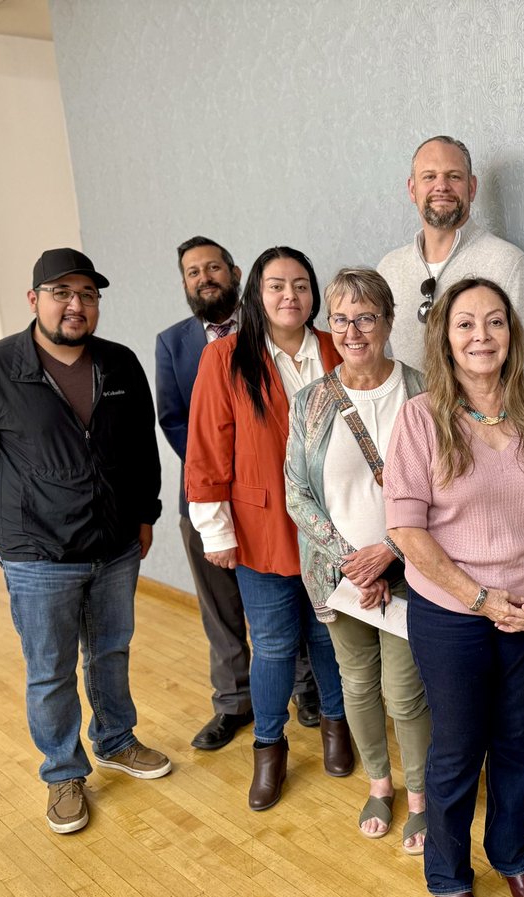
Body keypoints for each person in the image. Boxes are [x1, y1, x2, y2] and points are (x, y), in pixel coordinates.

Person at [0, 247, 169, 835]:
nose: (76, 305)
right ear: (34, 300)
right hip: (38, 554)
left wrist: (145, 515)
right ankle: (63, 772)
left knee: (111, 650)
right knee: (49, 670)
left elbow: (141, 448)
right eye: (62, 293)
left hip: (115, 546)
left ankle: (116, 740)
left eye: (88, 295)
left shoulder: (119, 364)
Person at [384, 277, 524, 897]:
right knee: (459, 746)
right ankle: (448, 872)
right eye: (465, 324)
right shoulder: (420, 417)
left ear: (511, 334)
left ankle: (513, 853)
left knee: (517, 739)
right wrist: (479, 598)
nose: (481, 336)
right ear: (445, 338)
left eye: (495, 321)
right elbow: (406, 529)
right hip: (452, 614)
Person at [185, 246, 352, 810]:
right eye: (277, 285)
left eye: (301, 284)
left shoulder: (336, 347)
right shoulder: (226, 357)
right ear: (256, 293)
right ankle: (269, 747)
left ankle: (336, 727)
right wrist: (215, 531)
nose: (290, 295)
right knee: (276, 645)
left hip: (334, 525)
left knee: (329, 634)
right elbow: (207, 448)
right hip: (262, 525)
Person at [285, 267, 431, 854]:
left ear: (388, 322)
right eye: (341, 319)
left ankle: (418, 797)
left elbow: (447, 485)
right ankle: (379, 785)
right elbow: (297, 493)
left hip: (410, 570)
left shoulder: (423, 390)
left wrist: (389, 555)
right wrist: (352, 563)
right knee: (358, 685)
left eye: (366, 318)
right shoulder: (310, 402)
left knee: (406, 691)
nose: (352, 331)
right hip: (338, 576)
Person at [155, 236, 318, 750]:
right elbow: (180, 423)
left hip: (281, 501)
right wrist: (226, 481)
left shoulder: (281, 331)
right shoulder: (175, 343)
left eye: (213, 267)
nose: (204, 278)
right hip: (210, 499)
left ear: (235, 273)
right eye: (193, 272)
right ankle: (233, 704)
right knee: (224, 612)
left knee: (291, 610)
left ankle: (307, 692)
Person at [378, 135, 524, 374]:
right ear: (412, 189)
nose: (441, 186)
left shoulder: (507, 263)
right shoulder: (389, 269)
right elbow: (379, 365)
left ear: (471, 188)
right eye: (429, 176)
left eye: (454, 176)